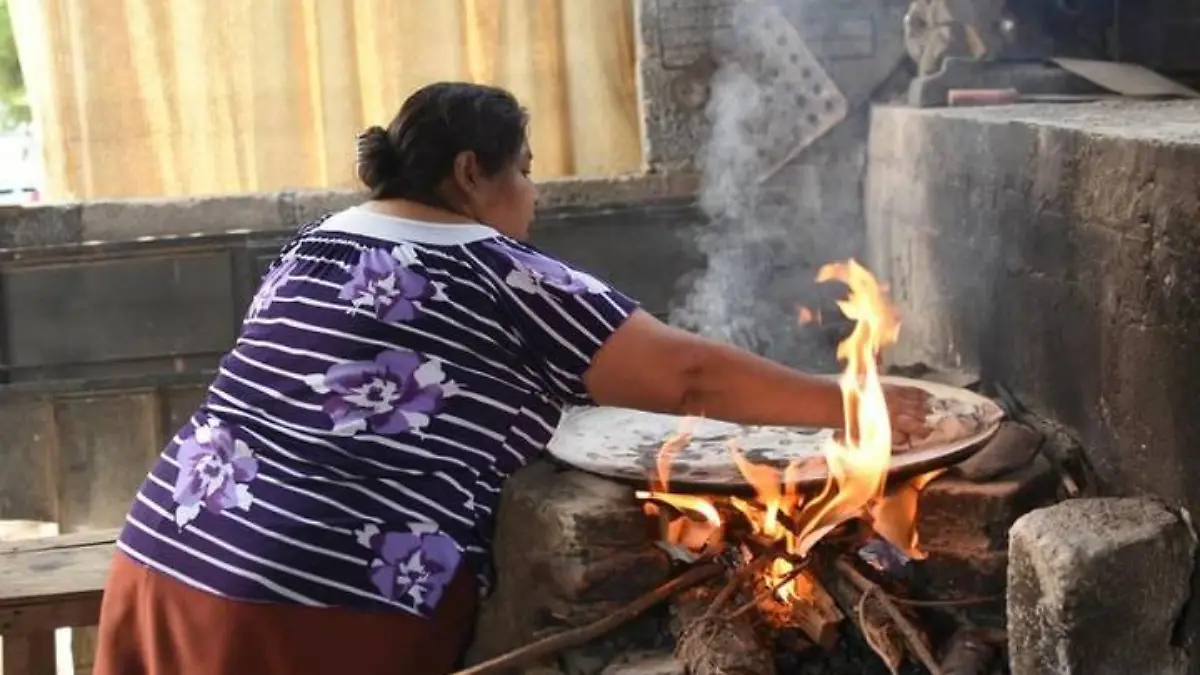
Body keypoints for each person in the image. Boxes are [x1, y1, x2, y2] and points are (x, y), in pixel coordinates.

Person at [92, 81, 930, 675]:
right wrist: (861, 405)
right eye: (523, 169)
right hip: (315, 603)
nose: (533, 195)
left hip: (163, 556)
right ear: (470, 172)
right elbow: (689, 377)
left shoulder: (311, 245)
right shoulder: (499, 273)